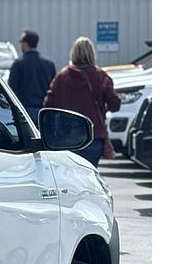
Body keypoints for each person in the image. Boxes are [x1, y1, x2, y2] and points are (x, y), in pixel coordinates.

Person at [43, 36, 121, 167]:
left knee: (68, 177)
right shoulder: (101, 76)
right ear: (92, 54)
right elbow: (115, 105)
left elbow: (47, 105)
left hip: (66, 137)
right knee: (88, 176)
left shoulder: (61, 77)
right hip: (93, 135)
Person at [7, 29, 57, 126]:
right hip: (44, 112)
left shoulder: (18, 64)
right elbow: (54, 89)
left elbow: (12, 89)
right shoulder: (49, 64)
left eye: (21, 42)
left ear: (25, 43)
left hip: (25, 111)